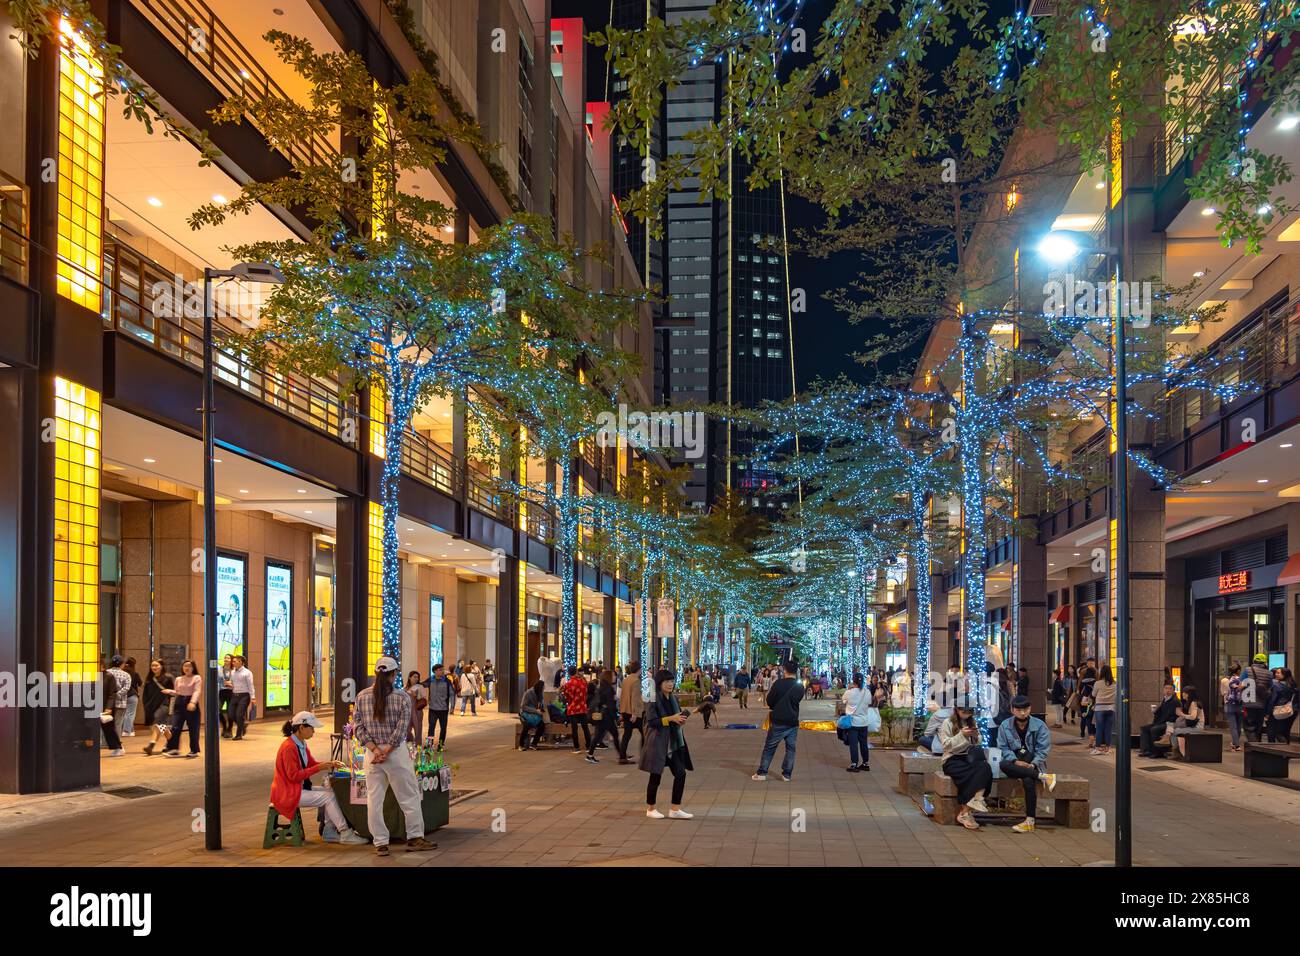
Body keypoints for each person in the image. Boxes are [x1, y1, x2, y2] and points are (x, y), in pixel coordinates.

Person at [352, 657, 438, 856]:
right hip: (396, 754)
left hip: (372, 756)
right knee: (408, 797)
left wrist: (375, 750)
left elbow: (358, 728)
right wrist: (387, 751)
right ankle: (415, 837)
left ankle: (380, 843)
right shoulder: (402, 697)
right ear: (394, 674)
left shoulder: (362, 696)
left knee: (374, 799)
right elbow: (402, 729)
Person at [271, 711, 367, 845]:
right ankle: (345, 832)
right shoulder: (289, 747)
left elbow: (311, 763)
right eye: (312, 728)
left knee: (332, 792)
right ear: (302, 727)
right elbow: (293, 776)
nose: (313, 731)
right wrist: (320, 767)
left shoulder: (300, 744)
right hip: (288, 793)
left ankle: (329, 831)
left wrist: (329, 764)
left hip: (297, 789)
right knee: (328, 797)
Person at [995, 696, 1058, 832]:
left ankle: (1030, 820)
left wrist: (1033, 764)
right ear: (1012, 710)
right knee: (1003, 764)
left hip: (1032, 764)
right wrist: (1016, 761)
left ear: (1030, 709)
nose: (1022, 713)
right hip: (1014, 763)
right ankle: (1043, 777)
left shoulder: (1039, 726)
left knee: (1028, 781)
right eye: (1018, 709)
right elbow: (1003, 747)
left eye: (1025, 709)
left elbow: (1043, 749)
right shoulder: (1005, 725)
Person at [640, 669, 694, 819]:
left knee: (680, 774)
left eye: (672, 681)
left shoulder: (673, 698)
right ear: (659, 683)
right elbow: (651, 721)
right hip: (658, 742)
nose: (670, 684)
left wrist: (680, 720)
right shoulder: (652, 698)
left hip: (673, 743)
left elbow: (675, 717)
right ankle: (650, 809)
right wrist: (671, 719)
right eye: (667, 681)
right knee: (655, 776)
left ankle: (675, 809)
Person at [939, 705, 992, 830]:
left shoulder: (972, 721)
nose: (966, 715)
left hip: (969, 757)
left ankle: (976, 800)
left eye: (969, 712)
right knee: (970, 775)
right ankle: (966, 812)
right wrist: (961, 735)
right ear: (957, 710)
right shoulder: (948, 723)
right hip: (952, 759)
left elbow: (978, 742)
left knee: (985, 768)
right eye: (964, 712)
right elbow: (946, 746)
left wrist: (974, 735)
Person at [752, 658, 804, 782]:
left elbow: (769, 701)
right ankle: (787, 774)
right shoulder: (799, 686)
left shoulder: (779, 684)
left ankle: (762, 772)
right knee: (791, 748)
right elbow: (797, 700)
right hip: (792, 721)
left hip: (779, 720)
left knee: (770, 747)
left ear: (784, 670)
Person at [162, 659, 202, 757]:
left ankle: (194, 750)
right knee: (175, 726)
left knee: (193, 727)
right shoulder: (178, 679)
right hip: (179, 702)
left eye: (189, 666)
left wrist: (193, 702)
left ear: (193, 668)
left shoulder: (197, 678)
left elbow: (197, 691)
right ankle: (174, 748)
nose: (187, 668)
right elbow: (178, 692)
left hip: (191, 702)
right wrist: (170, 691)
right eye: (185, 666)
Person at [141, 659, 175, 756]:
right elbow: (145, 695)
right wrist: (146, 706)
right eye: (153, 666)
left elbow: (173, 693)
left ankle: (151, 745)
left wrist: (171, 708)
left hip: (164, 705)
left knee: (157, 723)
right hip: (152, 706)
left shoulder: (168, 678)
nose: (154, 667)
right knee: (162, 726)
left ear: (162, 666)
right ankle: (171, 742)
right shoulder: (149, 679)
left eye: (157, 665)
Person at [585, 669, 620, 764]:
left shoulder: (602, 687)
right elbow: (610, 705)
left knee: (598, 736)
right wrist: (615, 716)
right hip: (607, 716)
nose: (615, 677)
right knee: (615, 735)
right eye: (613, 675)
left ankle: (590, 755)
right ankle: (622, 755)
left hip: (602, 716)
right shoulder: (609, 689)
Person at [1138, 682, 1181, 757]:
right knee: (1144, 728)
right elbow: (1160, 711)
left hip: (1169, 723)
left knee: (1154, 729)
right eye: (1166, 688)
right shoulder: (1165, 699)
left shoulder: (1175, 701)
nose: (1168, 690)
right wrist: (1155, 711)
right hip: (1161, 722)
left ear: (1174, 691)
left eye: (1170, 689)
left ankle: (1157, 752)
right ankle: (1146, 750)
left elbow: (1174, 716)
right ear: (1163, 690)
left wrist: (1160, 722)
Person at [841, 673, 872, 772]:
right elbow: (869, 702)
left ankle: (854, 764)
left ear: (853, 681)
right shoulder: (867, 692)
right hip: (864, 722)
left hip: (853, 722)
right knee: (864, 743)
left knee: (853, 744)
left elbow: (844, 701)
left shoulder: (849, 692)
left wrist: (849, 689)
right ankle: (865, 763)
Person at [1242, 653, 1274, 743]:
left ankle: (1254, 745)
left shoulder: (1247, 670)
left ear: (1254, 660)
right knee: (1258, 727)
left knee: (1248, 727)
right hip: (1262, 704)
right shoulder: (1269, 673)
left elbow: (1241, 684)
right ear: (1265, 662)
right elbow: (1271, 687)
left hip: (1248, 703)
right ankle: (1258, 749)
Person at [1168, 685, 1206, 758]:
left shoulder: (1193, 703)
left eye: (1184, 693)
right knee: (1172, 727)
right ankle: (1175, 750)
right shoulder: (1192, 703)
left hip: (1197, 727)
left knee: (1175, 731)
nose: (1183, 694)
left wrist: (1182, 714)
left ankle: (1176, 751)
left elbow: (1193, 717)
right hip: (1194, 726)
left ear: (1189, 694)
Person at [562, 665, 592, 753]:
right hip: (582, 707)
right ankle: (588, 746)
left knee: (574, 729)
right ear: (576, 671)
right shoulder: (583, 681)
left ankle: (576, 747)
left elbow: (568, 697)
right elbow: (586, 693)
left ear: (568, 673)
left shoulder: (568, 684)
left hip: (573, 708)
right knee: (585, 727)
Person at [618, 660, 644, 764]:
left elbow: (623, 696)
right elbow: (635, 698)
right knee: (644, 733)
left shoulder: (626, 680)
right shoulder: (636, 681)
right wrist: (634, 713)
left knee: (627, 734)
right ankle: (643, 755)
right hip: (634, 712)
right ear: (639, 670)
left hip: (625, 710)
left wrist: (621, 711)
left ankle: (622, 756)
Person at [423, 663, 454, 748]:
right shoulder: (430, 680)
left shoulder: (447, 681)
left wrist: (452, 707)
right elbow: (422, 685)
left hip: (443, 709)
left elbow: (452, 693)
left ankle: (441, 745)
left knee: (443, 728)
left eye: (442, 669)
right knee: (431, 727)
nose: (442, 671)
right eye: (440, 670)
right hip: (433, 709)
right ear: (434, 671)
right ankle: (429, 744)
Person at [98, 665, 125, 757]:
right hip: (92, 705)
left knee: (109, 728)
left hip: (105, 707)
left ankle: (118, 747)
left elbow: (112, 694)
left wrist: (109, 707)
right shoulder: (90, 675)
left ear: (102, 666)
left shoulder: (109, 676)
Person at [103, 656, 130, 747]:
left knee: (106, 723)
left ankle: (104, 742)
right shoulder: (126, 675)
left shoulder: (107, 672)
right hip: (120, 702)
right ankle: (116, 743)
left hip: (107, 703)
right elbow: (126, 688)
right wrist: (117, 695)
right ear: (122, 664)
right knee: (118, 723)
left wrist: (112, 696)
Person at [1090, 664, 1117, 755]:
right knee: (1108, 729)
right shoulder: (1115, 684)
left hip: (1100, 708)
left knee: (1099, 728)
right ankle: (1108, 748)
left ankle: (1098, 748)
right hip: (1111, 708)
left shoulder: (1098, 683)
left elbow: (1093, 695)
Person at [1266, 669, 1297, 744]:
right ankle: (1286, 751)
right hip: (1291, 711)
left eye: (1278, 673)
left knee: (1273, 732)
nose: (1276, 674)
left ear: (1284, 675)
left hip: (1278, 711)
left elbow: (1272, 700)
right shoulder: (1293, 685)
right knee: (1286, 732)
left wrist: (1267, 712)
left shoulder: (1277, 686)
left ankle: (1273, 750)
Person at [228, 654, 255, 740]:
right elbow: (232, 683)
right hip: (234, 695)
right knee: (231, 714)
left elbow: (251, 685)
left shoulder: (247, 673)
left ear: (240, 662)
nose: (233, 663)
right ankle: (242, 725)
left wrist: (253, 698)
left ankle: (238, 735)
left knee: (239, 714)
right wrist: (230, 684)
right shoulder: (232, 672)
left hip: (244, 696)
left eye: (234, 661)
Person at [518, 679, 547, 750]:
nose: (543, 690)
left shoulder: (540, 694)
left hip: (534, 715)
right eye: (543, 688)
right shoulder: (528, 693)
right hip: (525, 714)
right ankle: (521, 745)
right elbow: (523, 706)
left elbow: (541, 705)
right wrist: (536, 711)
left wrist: (542, 708)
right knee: (527, 725)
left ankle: (534, 743)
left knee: (542, 725)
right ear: (539, 688)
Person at [1078, 658, 1098, 744]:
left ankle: (1083, 733)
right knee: (1090, 716)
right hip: (1092, 699)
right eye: (1090, 663)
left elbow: (1079, 685)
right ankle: (1092, 734)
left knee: (1084, 716)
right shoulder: (1096, 674)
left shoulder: (1083, 675)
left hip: (1084, 698)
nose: (1091, 664)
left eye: (1092, 663)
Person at [406, 670, 428, 744]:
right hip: (407, 711)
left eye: (417, 677)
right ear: (409, 677)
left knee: (418, 730)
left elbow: (424, 699)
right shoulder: (405, 688)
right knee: (407, 730)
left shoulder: (420, 687)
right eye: (414, 677)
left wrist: (416, 696)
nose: (416, 679)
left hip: (417, 711)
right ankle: (410, 743)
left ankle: (418, 746)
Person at [219, 654, 234, 738]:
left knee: (230, 712)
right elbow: (217, 680)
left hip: (231, 692)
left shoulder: (234, 670)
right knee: (218, 710)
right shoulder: (220, 669)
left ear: (231, 660)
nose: (226, 659)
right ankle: (224, 726)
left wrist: (231, 684)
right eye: (225, 657)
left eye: (228, 658)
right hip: (222, 691)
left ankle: (229, 729)